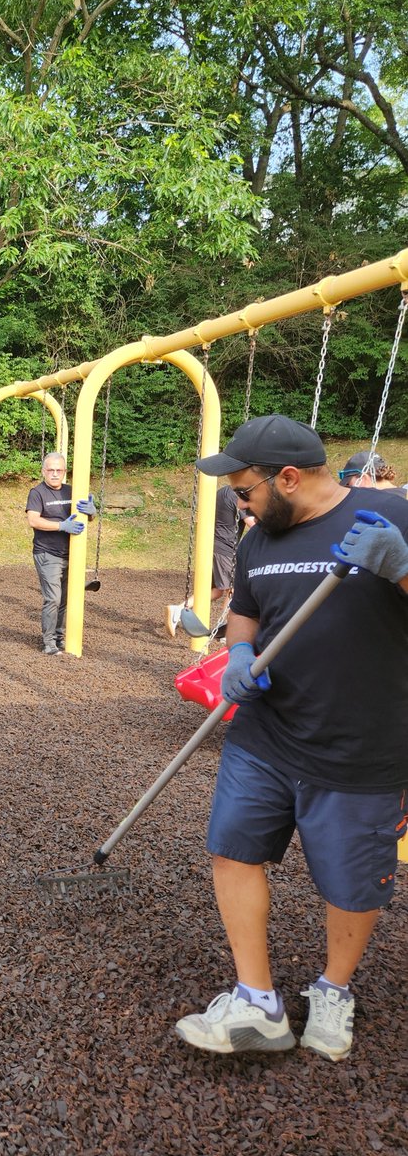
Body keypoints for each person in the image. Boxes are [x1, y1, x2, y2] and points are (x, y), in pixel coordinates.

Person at [174, 413, 408, 1062]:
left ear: (288, 477)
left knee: (351, 885)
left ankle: (334, 988)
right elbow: (245, 613)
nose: (238, 503)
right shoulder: (258, 540)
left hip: (361, 744)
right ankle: (258, 1001)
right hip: (265, 736)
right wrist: (241, 655)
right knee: (233, 849)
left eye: (244, 490)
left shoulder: (390, 518)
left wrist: (400, 566)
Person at [25, 453, 96, 654]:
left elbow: (85, 519)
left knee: (65, 599)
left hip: (70, 555)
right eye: (51, 470)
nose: (55, 474)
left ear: (64, 472)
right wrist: (61, 526)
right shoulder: (37, 493)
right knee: (53, 598)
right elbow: (33, 520)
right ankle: (48, 642)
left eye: (59, 470)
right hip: (47, 554)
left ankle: (58, 637)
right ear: (43, 471)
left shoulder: (71, 491)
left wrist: (92, 512)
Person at [165, 484, 253, 638]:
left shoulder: (221, 492)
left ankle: (178, 610)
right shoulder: (238, 495)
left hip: (212, 546)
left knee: (216, 591)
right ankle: (227, 630)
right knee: (233, 588)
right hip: (225, 549)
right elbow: (253, 523)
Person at [337, 450, 405, 494]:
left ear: (363, 479)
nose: (349, 489)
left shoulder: (374, 505)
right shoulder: (404, 494)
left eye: (348, 484)